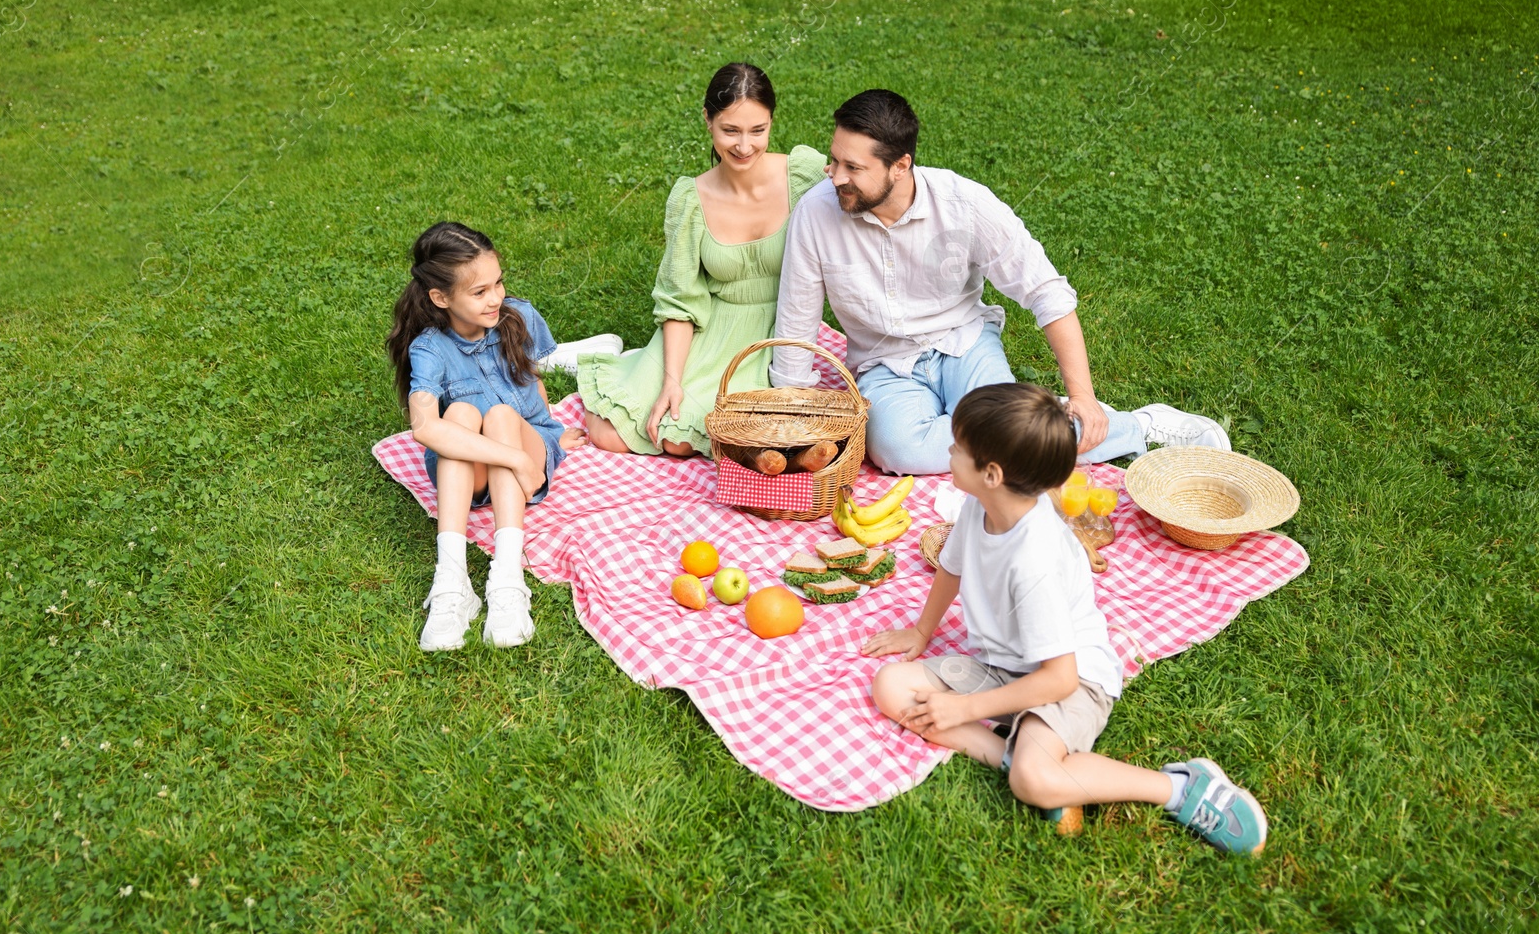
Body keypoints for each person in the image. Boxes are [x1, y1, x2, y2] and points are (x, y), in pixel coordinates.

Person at [863, 384, 1267, 853]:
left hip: (1071, 681)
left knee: (1033, 782)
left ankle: (1181, 787)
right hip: (1004, 667)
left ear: (991, 473)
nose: (949, 453)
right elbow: (951, 567)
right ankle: (1020, 755)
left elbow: (1059, 680)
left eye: (957, 448)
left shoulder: (1034, 562)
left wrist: (963, 709)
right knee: (891, 685)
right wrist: (920, 631)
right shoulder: (982, 506)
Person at [770, 89, 1230, 476]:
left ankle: (1137, 425)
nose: (835, 177)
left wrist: (1084, 398)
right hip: (883, 364)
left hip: (964, 343)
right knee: (899, 452)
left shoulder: (965, 204)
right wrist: (788, 426)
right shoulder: (816, 212)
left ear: (900, 165)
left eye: (853, 167)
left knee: (1001, 436)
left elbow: (1046, 291)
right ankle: (1028, 426)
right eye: (834, 161)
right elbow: (796, 320)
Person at [580, 62, 828, 456]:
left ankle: (639, 363)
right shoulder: (690, 201)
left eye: (757, 130)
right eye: (730, 130)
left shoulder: (805, 175)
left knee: (728, 440)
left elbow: (866, 188)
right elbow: (681, 297)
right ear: (708, 121)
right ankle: (631, 364)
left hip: (780, 329)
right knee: (627, 434)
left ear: (771, 122)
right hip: (710, 326)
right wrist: (671, 380)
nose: (744, 146)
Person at [387, 222, 586, 652]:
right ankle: (451, 582)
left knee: (499, 413)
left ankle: (507, 580)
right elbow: (424, 428)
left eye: (498, 283)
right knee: (457, 413)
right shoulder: (430, 347)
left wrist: (548, 436)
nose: (495, 297)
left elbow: (533, 379)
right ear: (441, 299)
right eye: (479, 292)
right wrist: (514, 459)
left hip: (525, 444)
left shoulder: (518, 316)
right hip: (477, 473)